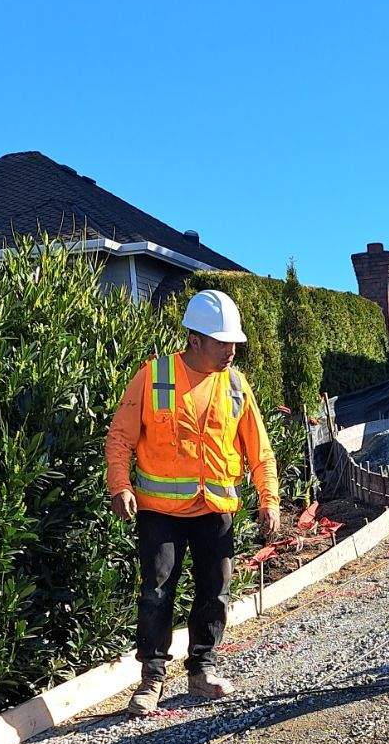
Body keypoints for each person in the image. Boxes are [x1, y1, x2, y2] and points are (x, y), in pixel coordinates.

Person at [105, 288, 279, 714]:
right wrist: (119, 486)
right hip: (159, 512)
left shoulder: (237, 386)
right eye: (223, 342)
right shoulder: (154, 376)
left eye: (234, 342)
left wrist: (268, 498)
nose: (231, 351)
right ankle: (152, 678)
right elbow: (120, 436)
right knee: (156, 593)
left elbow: (260, 448)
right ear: (195, 339)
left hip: (214, 510)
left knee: (214, 593)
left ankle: (201, 670)